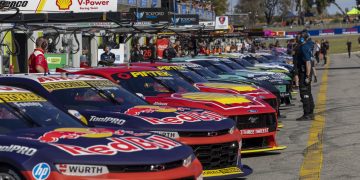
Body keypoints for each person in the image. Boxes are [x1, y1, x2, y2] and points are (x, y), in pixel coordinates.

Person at [296, 30, 315, 121]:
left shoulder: (303, 47)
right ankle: (311, 112)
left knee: (304, 93)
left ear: (303, 37)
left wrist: (307, 76)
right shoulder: (308, 45)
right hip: (307, 72)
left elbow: (308, 62)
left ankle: (307, 114)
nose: (297, 38)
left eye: (299, 36)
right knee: (308, 92)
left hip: (304, 73)